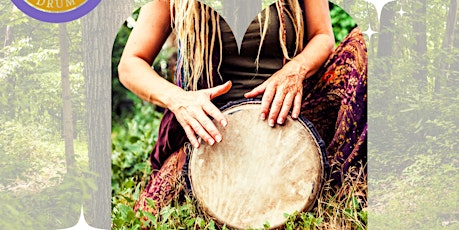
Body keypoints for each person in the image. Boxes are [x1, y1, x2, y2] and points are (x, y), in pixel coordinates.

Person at [118, 0, 367, 219]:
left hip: (290, 117)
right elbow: (131, 64)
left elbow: (322, 35)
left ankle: (338, 173)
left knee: (362, 44)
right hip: (212, 133)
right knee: (146, 218)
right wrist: (179, 99)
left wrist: (296, 70)